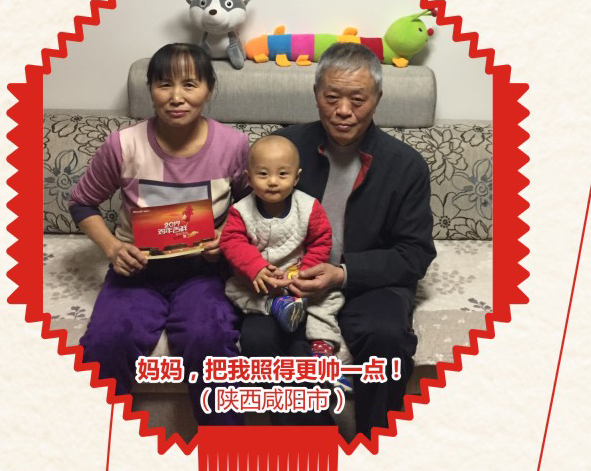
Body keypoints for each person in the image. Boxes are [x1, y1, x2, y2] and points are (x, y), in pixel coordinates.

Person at [239, 42, 437, 438]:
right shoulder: (283, 149)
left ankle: (375, 445)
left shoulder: (405, 165)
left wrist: (343, 273)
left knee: (387, 338)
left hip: (368, 283)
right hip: (289, 281)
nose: (343, 110)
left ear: (377, 98)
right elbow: (244, 220)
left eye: (358, 100)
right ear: (316, 94)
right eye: (332, 97)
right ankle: (313, 446)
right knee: (259, 338)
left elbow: (414, 253)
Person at [68, 43, 249, 427]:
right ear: (150, 89)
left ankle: (226, 450)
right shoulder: (122, 144)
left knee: (209, 340)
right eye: (165, 84)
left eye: (190, 84)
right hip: (136, 272)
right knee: (106, 343)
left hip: (203, 272)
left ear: (209, 89)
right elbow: (82, 203)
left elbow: (254, 208)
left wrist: (228, 238)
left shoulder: (234, 145)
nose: (176, 96)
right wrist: (113, 248)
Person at [219, 136, 352, 370]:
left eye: (282, 174)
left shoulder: (309, 207)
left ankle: (322, 345)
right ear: (248, 177)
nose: (272, 182)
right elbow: (231, 241)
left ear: (296, 177)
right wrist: (256, 268)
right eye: (263, 174)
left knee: (328, 300)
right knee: (233, 289)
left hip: (299, 279)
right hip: (262, 283)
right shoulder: (240, 211)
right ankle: (274, 306)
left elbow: (321, 241)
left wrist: (304, 273)